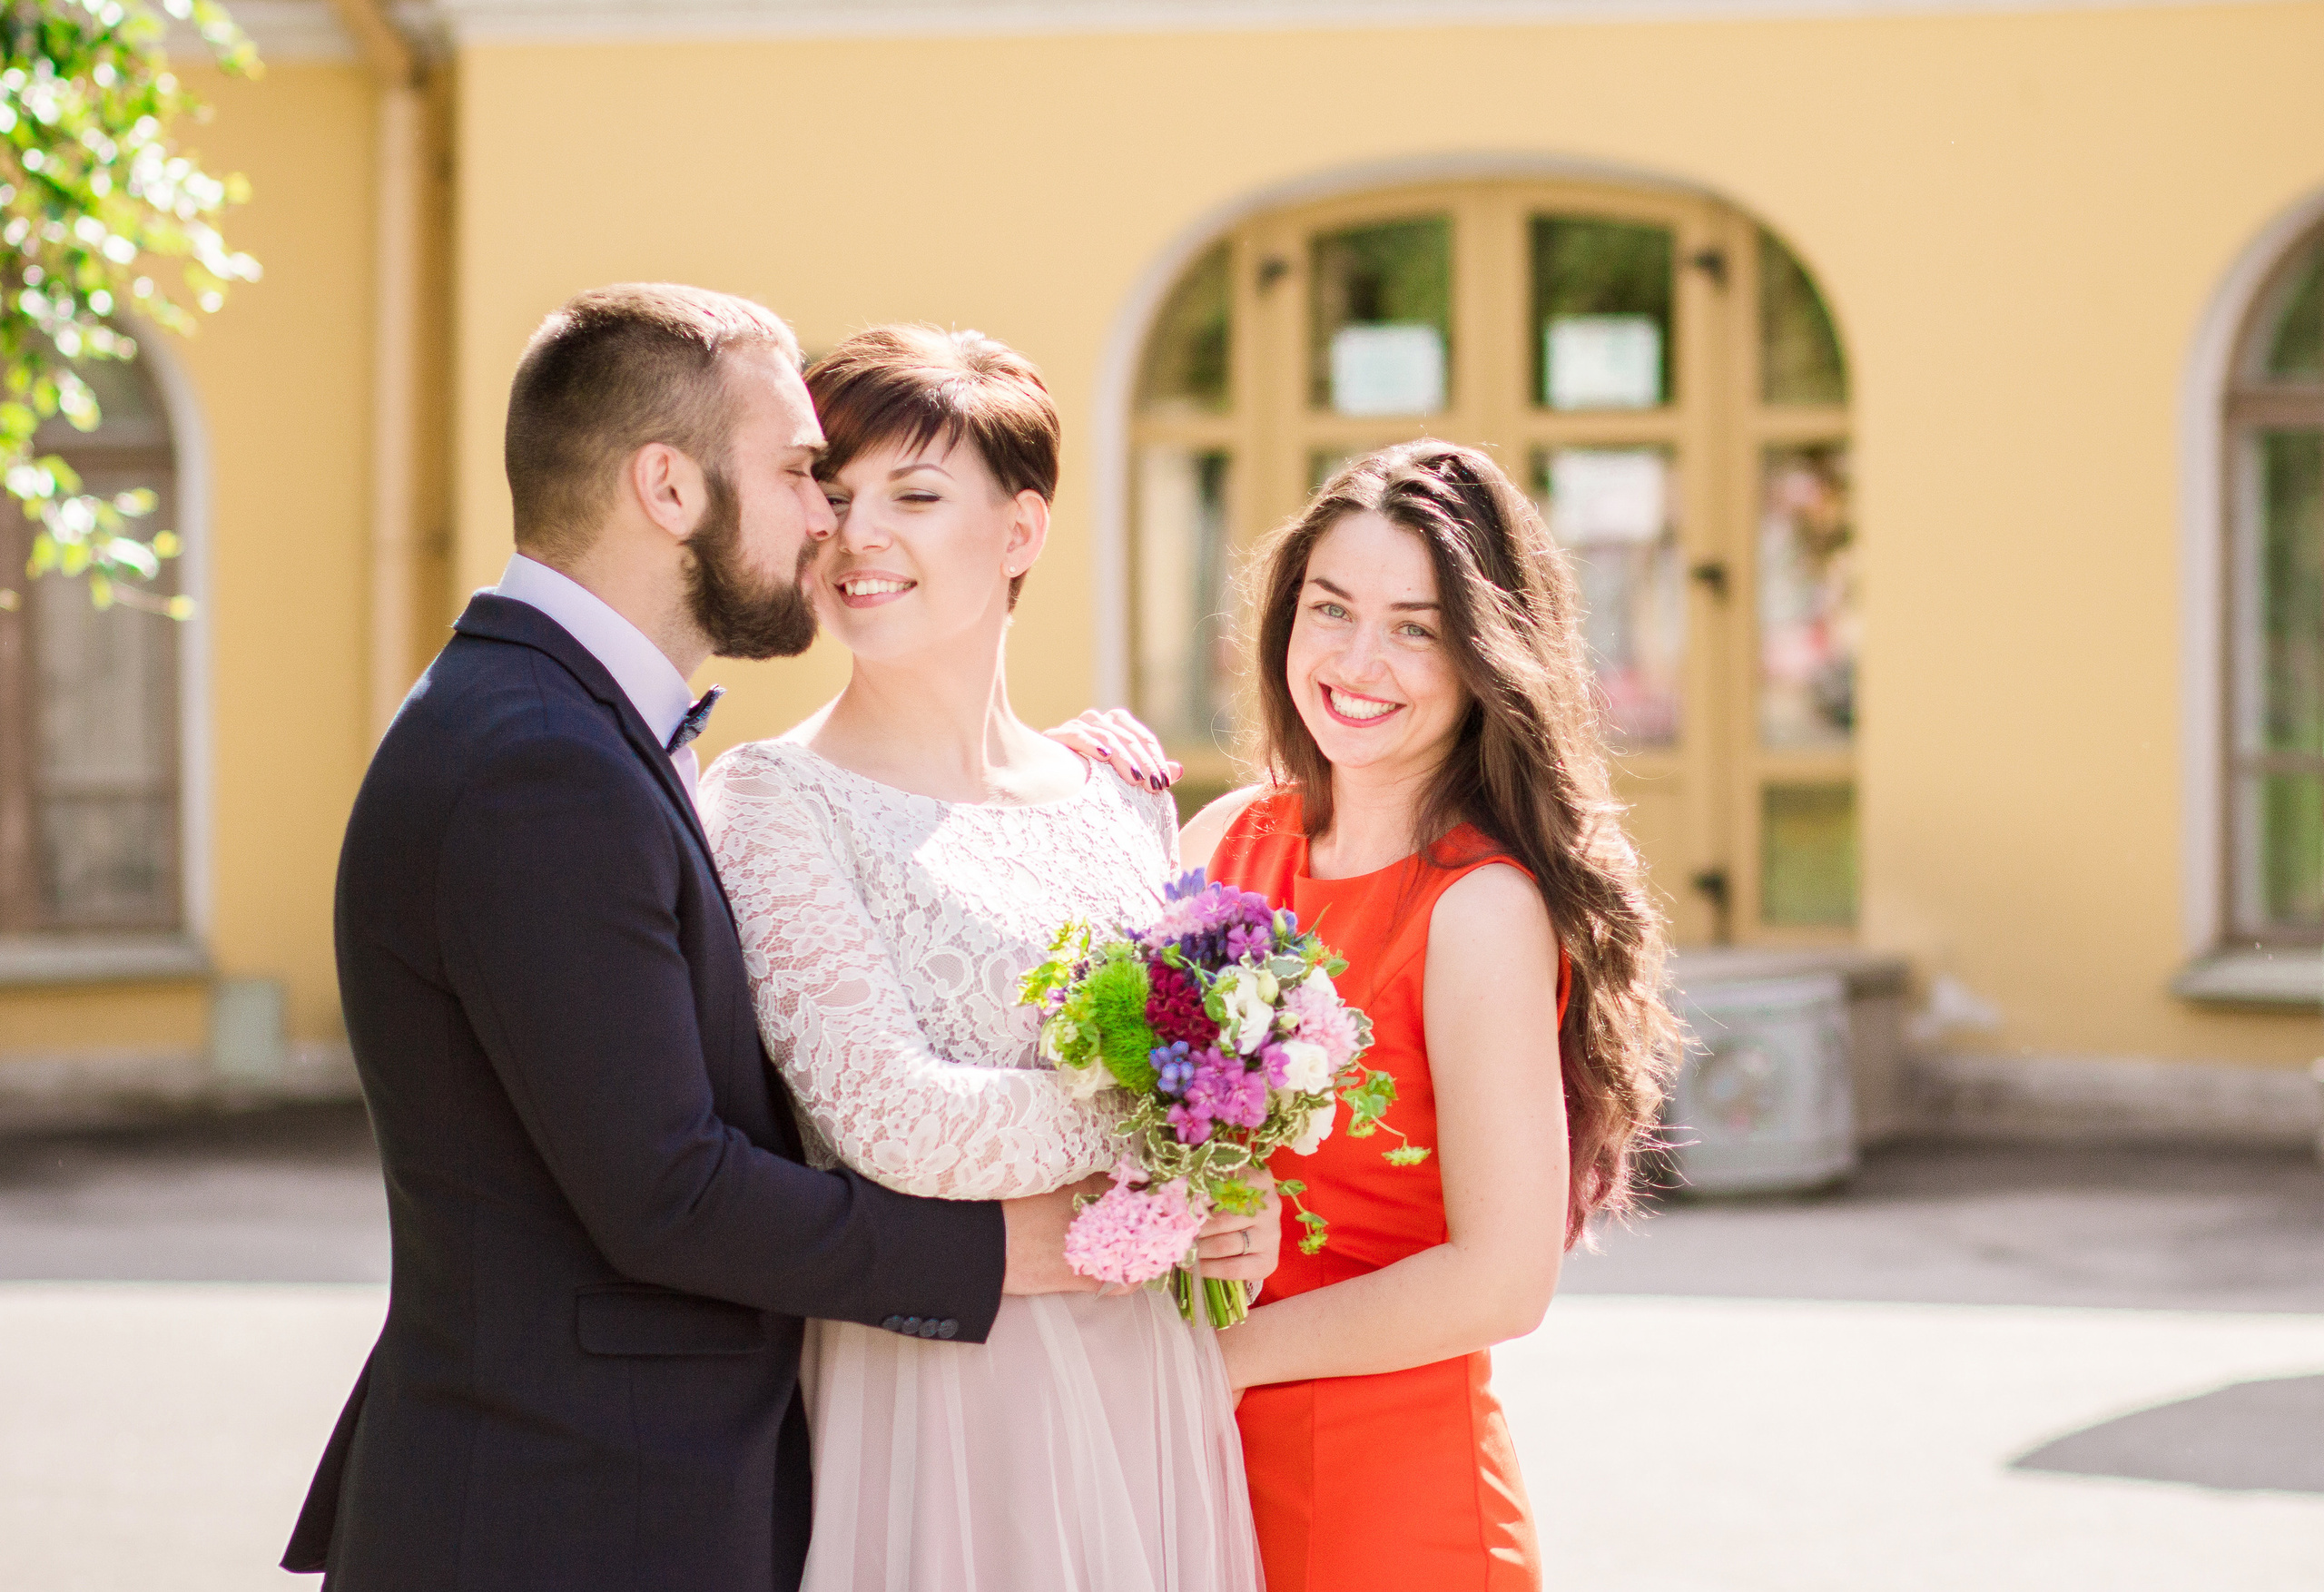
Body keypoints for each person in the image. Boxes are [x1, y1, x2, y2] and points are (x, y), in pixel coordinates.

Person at [282, 285, 1184, 1591]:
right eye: (802, 471)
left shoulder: (565, 727)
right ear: (668, 484)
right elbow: (668, 1190)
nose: (827, 518)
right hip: (566, 1506)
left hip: (627, 1487)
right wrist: (1023, 1229)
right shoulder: (541, 761)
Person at [698, 324, 1272, 1592]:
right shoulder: (776, 800)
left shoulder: (1116, 791)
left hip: (1144, 1375)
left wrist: (1234, 1189)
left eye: (915, 495)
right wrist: (1182, 1126)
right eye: (835, 497)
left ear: (1020, 532)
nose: (859, 536)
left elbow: (1195, 1055)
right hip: (941, 1386)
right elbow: (892, 1119)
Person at [1179, 440, 1680, 1592]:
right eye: (1331, 609)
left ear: (1483, 660)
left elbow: (1501, 1278)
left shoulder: (1479, 906)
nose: (1361, 660)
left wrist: (1223, 1355)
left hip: (1387, 1501)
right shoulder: (1223, 842)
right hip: (1197, 1466)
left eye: (1415, 627)